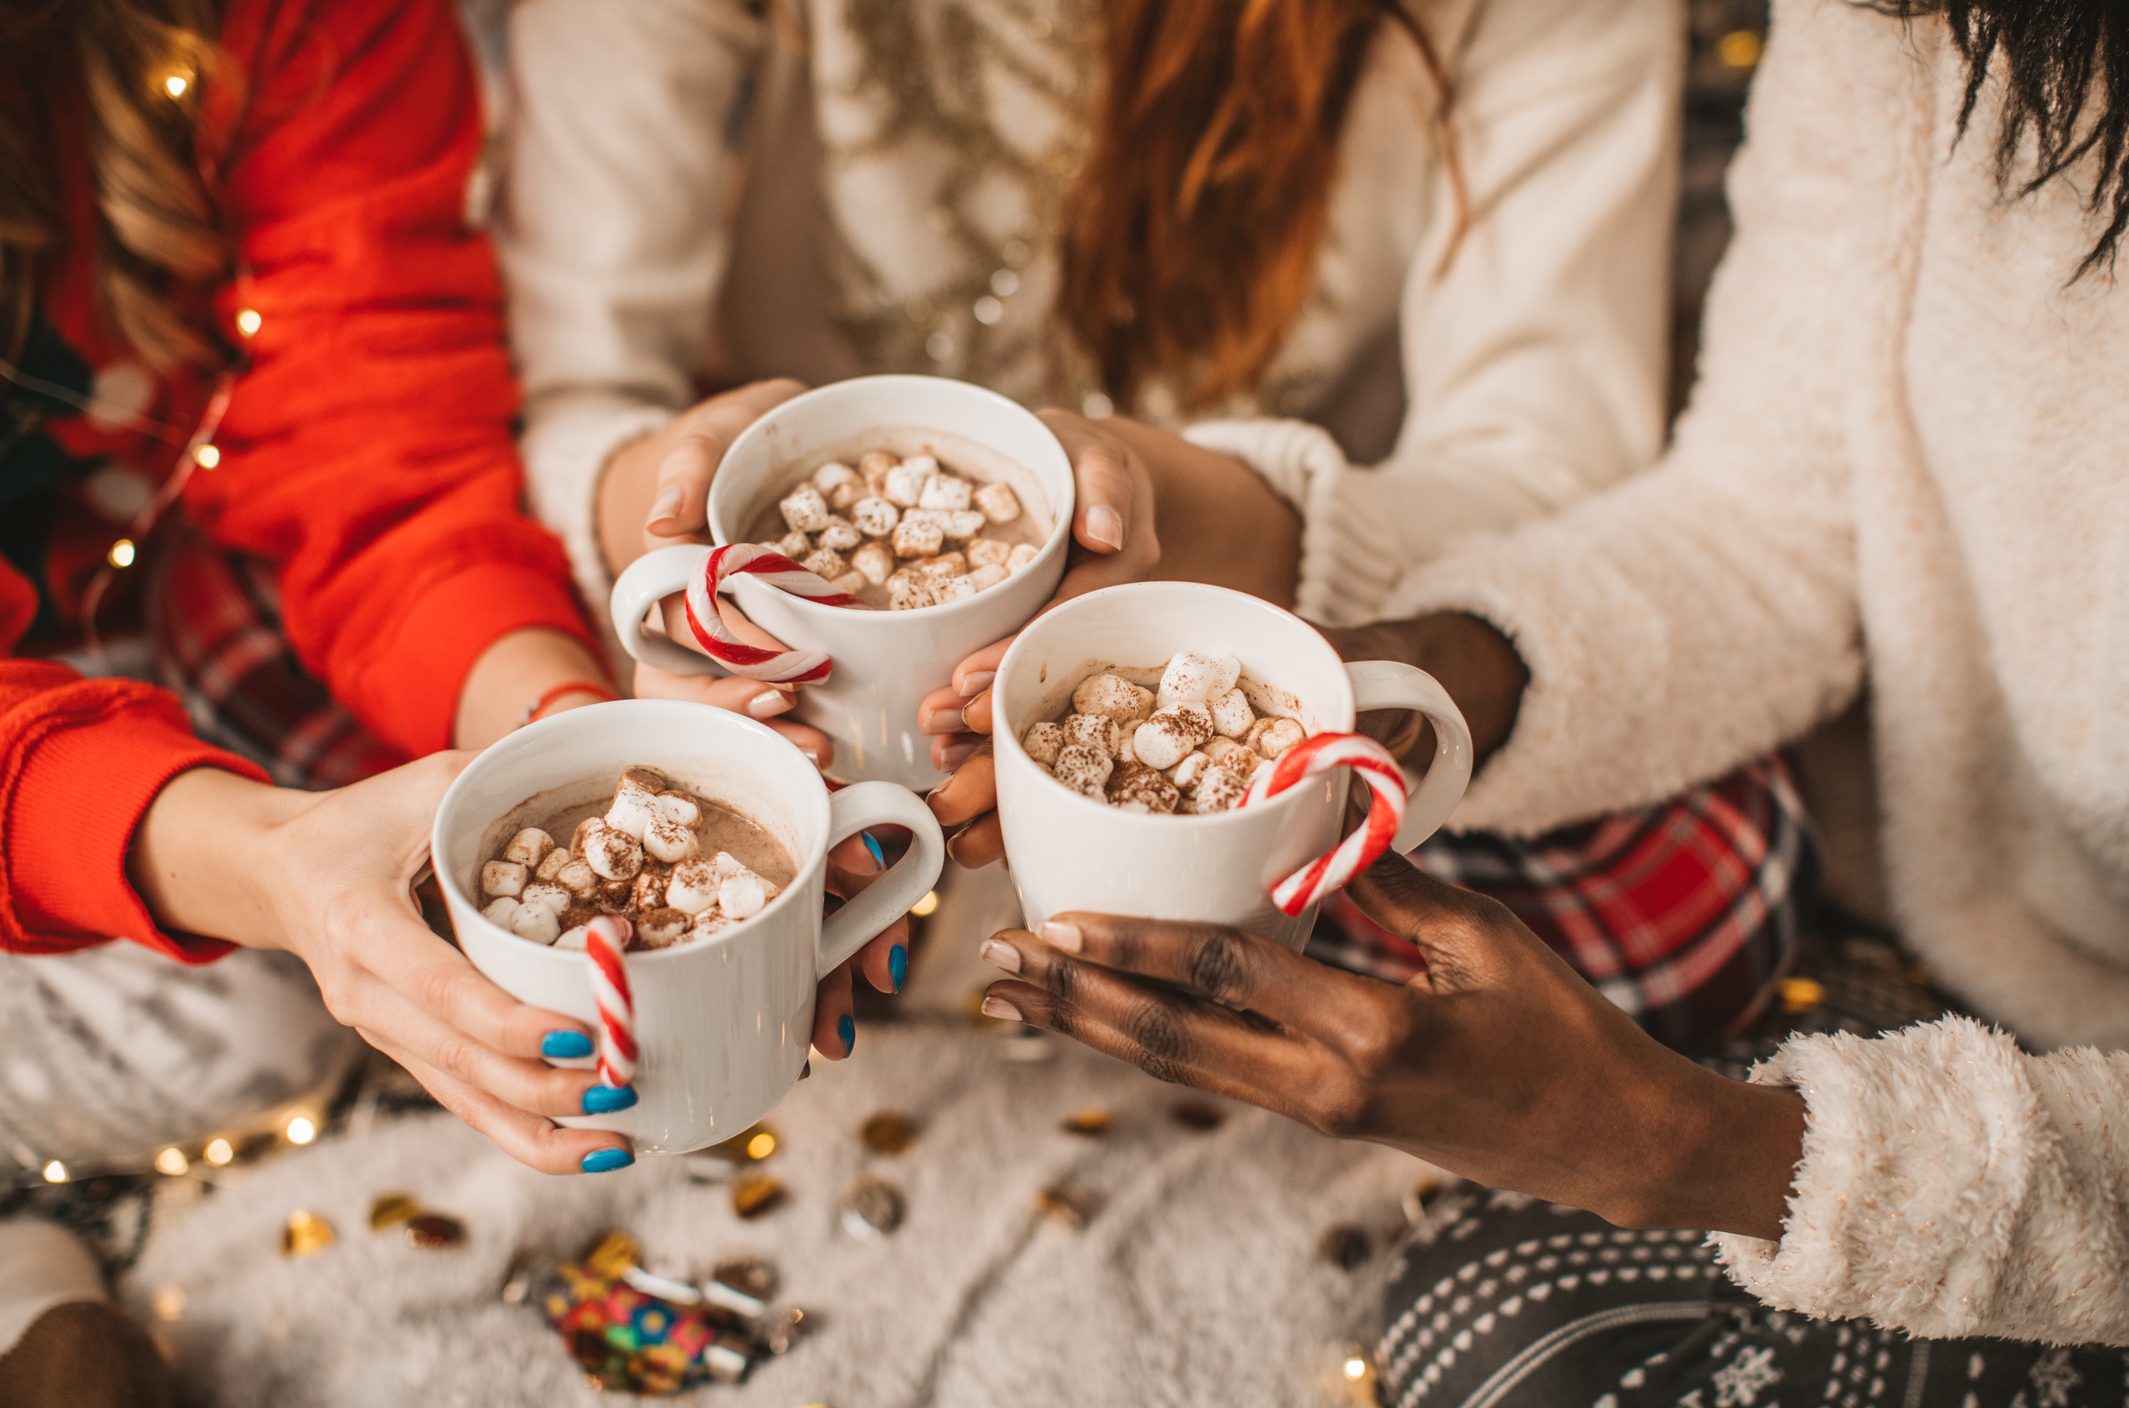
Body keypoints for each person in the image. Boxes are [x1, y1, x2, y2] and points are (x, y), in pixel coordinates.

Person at [964, 0, 2129, 1396]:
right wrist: (1420, 675)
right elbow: (1765, 526)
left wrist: (1694, 1153)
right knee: (1492, 1303)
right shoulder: (1913, 24)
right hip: (1964, 942)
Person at [503, 0, 1807, 1048]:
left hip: (1269, 633)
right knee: (471, 715)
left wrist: (1180, 508)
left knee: (1677, 863)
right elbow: (567, 390)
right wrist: (668, 522)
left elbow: (1544, 474)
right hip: (795, 681)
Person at [0, 2, 904, 1397]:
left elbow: (381, 455)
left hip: (161, 538)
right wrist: (263, 865)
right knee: (246, 1028)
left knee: (408, 892)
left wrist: (565, 736)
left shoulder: (271, 28)